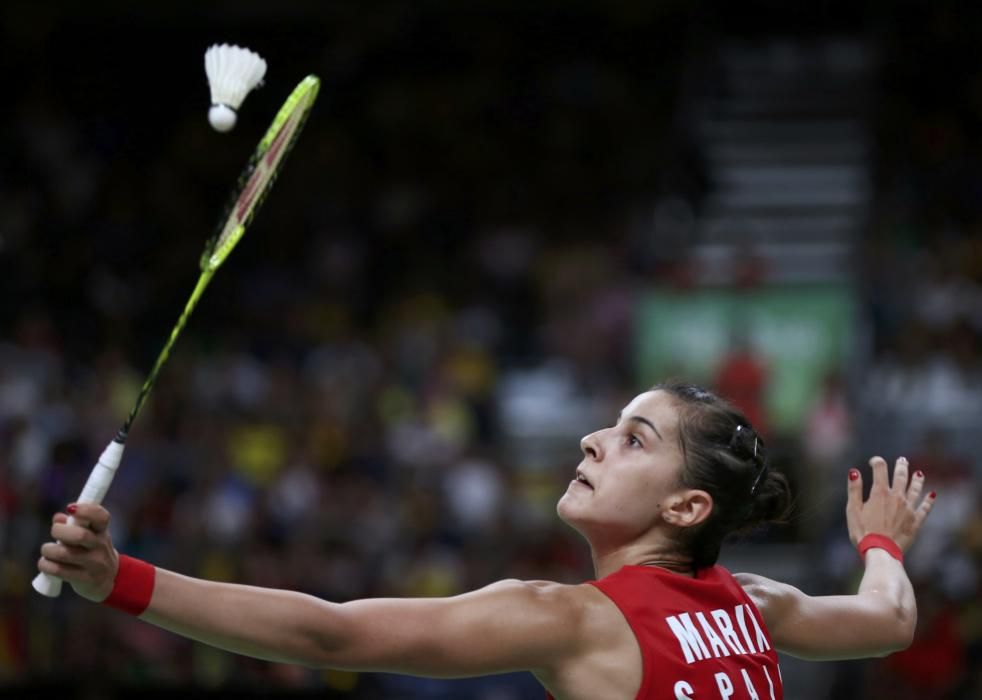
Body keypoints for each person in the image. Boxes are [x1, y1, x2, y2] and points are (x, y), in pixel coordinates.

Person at [38, 381, 936, 699]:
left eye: (634, 440)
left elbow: (331, 634)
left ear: (688, 509)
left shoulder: (570, 621)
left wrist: (119, 579)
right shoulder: (758, 606)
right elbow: (889, 620)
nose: (592, 439)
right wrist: (882, 547)